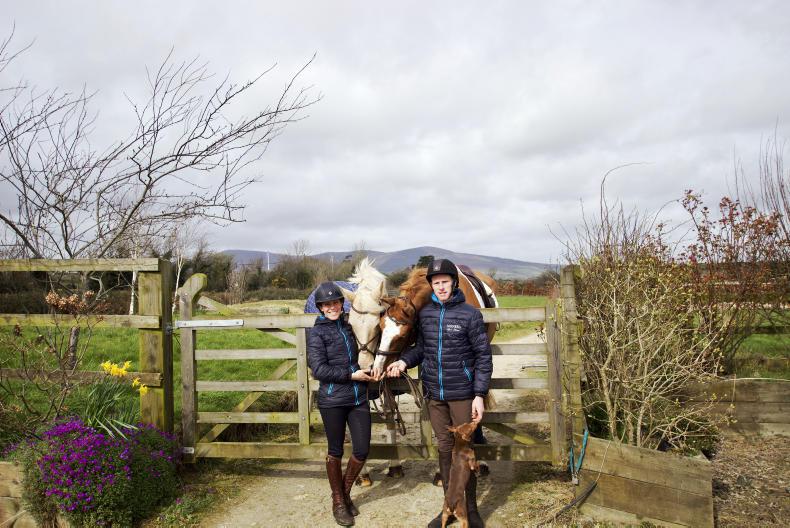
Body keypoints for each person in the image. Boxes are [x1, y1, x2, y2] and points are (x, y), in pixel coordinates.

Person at [386, 258, 492, 528]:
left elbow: (483, 356)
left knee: (464, 451)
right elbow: (422, 348)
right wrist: (404, 361)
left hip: (462, 393)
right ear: (431, 285)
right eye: (436, 283)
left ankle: (471, 510)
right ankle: (450, 506)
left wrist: (479, 394)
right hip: (435, 394)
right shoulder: (426, 315)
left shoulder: (470, 314)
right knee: (444, 450)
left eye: (445, 282)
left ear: (453, 283)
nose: (441, 287)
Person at [307, 281, 374, 526]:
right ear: (320, 308)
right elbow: (319, 369)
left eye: (335, 302)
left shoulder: (349, 328)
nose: (332, 307)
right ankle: (338, 502)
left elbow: (364, 352)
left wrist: (372, 370)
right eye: (326, 304)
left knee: (362, 449)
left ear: (341, 304)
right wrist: (351, 375)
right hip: (333, 399)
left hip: (357, 398)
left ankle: (344, 494)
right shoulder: (316, 333)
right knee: (335, 450)